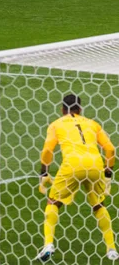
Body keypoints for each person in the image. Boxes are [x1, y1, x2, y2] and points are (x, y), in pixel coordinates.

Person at [35, 94, 118, 262]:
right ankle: (111, 249)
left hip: (72, 166)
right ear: (80, 109)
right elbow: (110, 149)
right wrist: (108, 173)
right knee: (99, 205)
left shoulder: (56, 124)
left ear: (62, 109)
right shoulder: (92, 124)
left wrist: (44, 172)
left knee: (53, 202)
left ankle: (48, 244)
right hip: (96, 164)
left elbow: (47, 151)